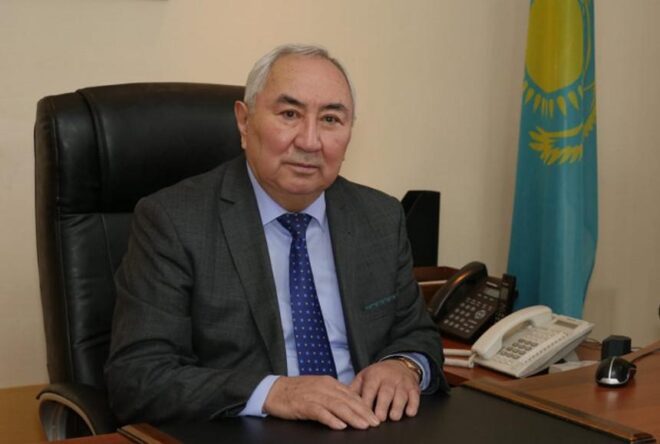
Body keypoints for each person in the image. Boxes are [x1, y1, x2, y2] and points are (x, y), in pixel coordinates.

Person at [105, 44, 449, 431]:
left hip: (367, 426)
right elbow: (139, 378)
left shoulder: (380, 217)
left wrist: (404, 366)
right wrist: (274, 392)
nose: (310, 141)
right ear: (244, 121)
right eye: (289, 114)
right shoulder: (173, 221)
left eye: (331, 119)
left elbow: (417, 334)